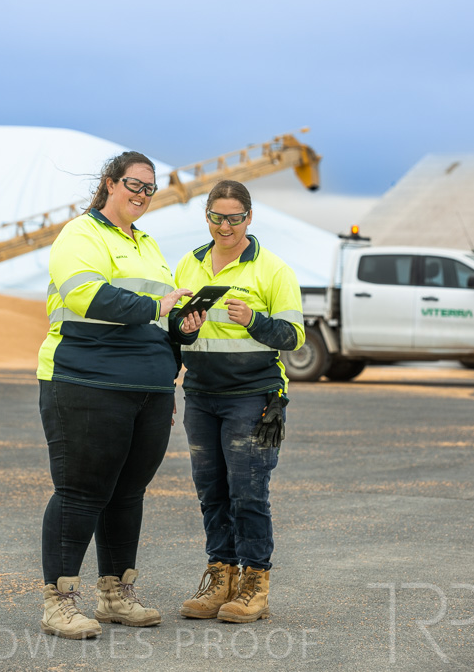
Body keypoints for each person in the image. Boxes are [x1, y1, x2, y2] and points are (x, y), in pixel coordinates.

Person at [36, 151, 205, 639]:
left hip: (148, 388)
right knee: (80, 491)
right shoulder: (80, 234)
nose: (142, 195)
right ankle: (59, 603)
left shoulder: (149, 245)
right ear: (110, 183)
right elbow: (86, 295)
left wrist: (183, 326)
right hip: (86, 381)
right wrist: (157, 305)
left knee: (128, 493)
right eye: (134, 184)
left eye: (150, 189)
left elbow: (159, 319)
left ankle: (115, 595)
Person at [175, 180, 305, 623]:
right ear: (206, 216)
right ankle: (221, 579)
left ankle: (255, 585)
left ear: (249, 217)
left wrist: (254, 320)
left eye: (234, 218)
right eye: (217, 217)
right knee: (211, 492)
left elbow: (293, 336)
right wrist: (184, 329)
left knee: (247, 493)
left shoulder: (274, 270)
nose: (225, 226)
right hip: (200, 396)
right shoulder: (188, 264)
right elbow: (173, 333)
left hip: (252, 397)